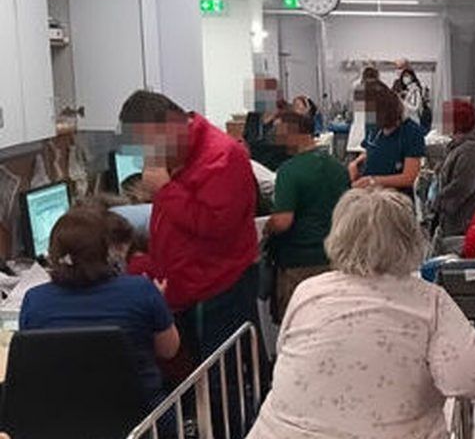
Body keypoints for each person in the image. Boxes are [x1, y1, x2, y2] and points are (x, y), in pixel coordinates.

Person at [233, 187, 475, 439]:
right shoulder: (429, 301)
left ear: (338, 237)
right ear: (410, 240)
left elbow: (287, 352)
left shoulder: (308, 292)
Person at [117, 90, 261, 362]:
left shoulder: (222, 157)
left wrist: (165, 190)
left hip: (217, 288)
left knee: (220, 377)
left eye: (149, 145)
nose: (149, 156)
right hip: (187, 286)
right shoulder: (179, 154)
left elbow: (216, 226)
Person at [20, 208, 180, 410]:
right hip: (142, 418)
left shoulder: (35, 301)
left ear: (53, 255)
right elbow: (169, 350)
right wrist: (158, 307)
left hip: (64, 419)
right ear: (106, 251)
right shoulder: (141, 290)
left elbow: (34, 363)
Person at [264, 109, 350, 321]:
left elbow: (283, 221)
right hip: (334, 257)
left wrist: (266, 226)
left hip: (299, 262)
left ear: (294, 133)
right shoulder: (338, 168)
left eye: (279, 133)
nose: (276, 140)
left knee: (299, 320)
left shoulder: (289, 171)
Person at [348, 82, 425, 198]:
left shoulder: (412, 132)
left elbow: (409, 177)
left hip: (395, 198)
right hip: (368, 193)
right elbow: (371, 148)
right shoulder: (374, 125)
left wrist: (373, 181)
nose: (384, 131)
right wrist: (356, 163)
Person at [435, 99, 475, 239]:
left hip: (467, 225)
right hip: (462, 222)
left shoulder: (470, 151)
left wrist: (437, 203)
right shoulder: (460, 147)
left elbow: (462, 186)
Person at [243, 76, 291, 171]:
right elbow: (247, 139)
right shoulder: (253, 115)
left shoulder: (288, 114)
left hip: (280, 167)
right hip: (257, 167)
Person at [347, 66, 380, 155]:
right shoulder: (375, 91)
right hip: (367, 136)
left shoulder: (358, 88)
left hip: (359, 135)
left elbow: (351, 109)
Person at [392, 66, 433, 137]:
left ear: (412, 77)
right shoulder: (407, 91)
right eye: (403, 76)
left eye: (407, 76)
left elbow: (416, 108)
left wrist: (404, 103)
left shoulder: (415, 90)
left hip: (414, 120)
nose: (405, 78)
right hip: (407, 121)